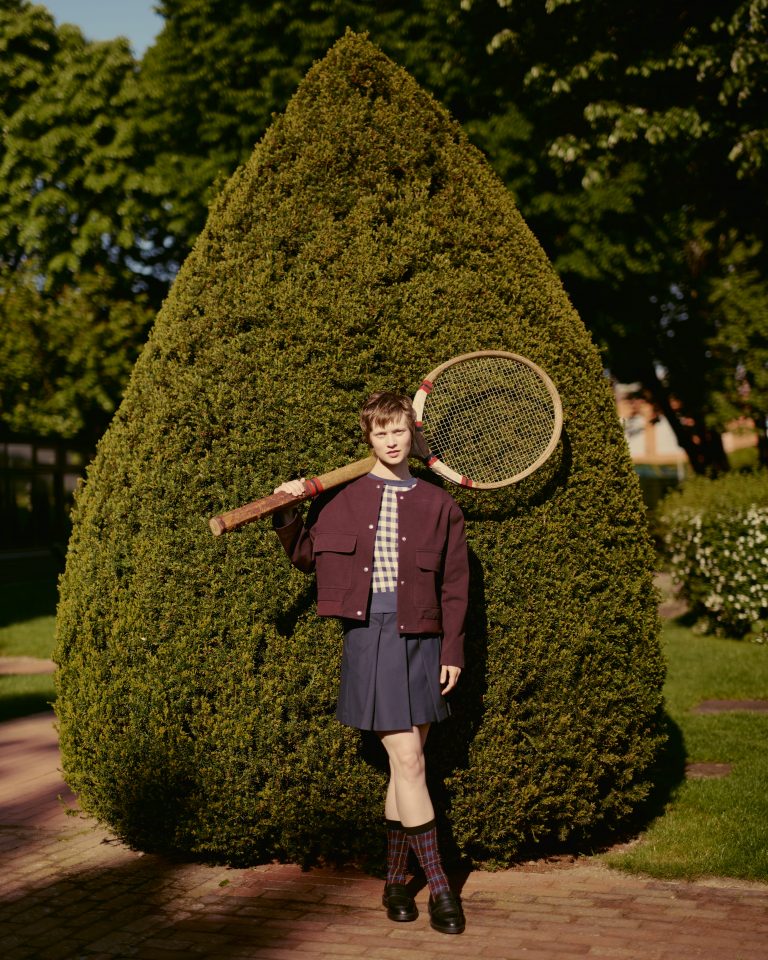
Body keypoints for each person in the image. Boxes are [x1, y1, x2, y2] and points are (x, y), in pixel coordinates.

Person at [272, 390, 469, 935]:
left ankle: (392, 882)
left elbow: (455, 588)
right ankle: (442, 888)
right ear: (369, 438)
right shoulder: (341, 498)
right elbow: (306, 555)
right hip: (370, 637)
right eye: (380, 432)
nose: (390, 440)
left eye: (399, 430)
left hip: (423, 640)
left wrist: (451, 650)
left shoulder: (440, 506)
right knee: (408, 761)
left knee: (405, 768)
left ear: (412, 435)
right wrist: (287, 508)